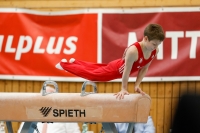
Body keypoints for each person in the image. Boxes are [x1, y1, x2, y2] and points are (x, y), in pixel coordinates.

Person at [56, 23, 165, 99]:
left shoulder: (155, 51)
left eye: (158, 44)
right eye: (154, 44)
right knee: (92, 75)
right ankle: (64, 65)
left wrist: (136, 85)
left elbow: (144, 68)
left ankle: (74, 62)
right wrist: (124, 89)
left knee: (95, 68)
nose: (155, 47)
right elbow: (126, 71)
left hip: (118, 65)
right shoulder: (134, 51)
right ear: (145, 38)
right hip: (116, 70)